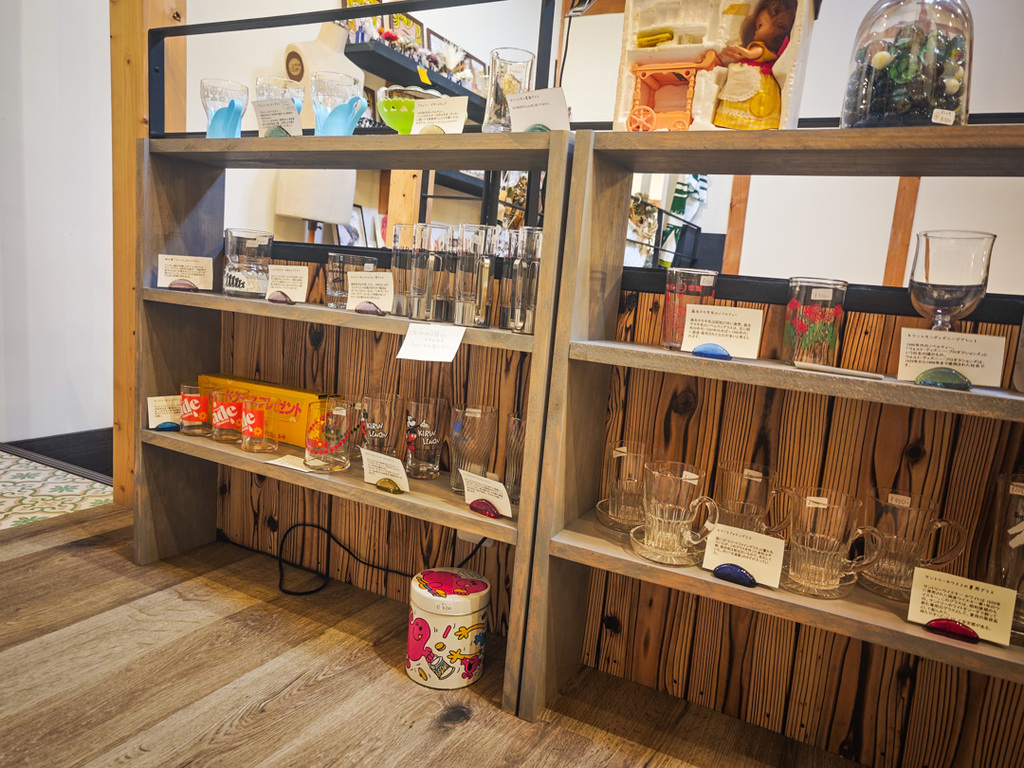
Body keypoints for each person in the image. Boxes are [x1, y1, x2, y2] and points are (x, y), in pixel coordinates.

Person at [712, 0, 797, 130]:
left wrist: (739, 49)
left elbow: (750, 54)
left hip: (753, 77)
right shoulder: (764, 49)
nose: (756, 31)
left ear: (776, 29)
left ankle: (738, 120)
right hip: (753, 72)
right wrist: (735, 55)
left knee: (745, 96)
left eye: (760, 26)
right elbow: (744, 57)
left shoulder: (759, 47)